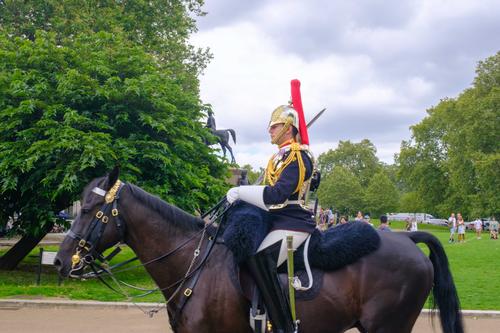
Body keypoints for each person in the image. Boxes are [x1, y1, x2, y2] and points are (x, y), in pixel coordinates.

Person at [226, 92, 315, 332]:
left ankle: (284, 326)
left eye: (274, 125)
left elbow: (277, 195)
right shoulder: (279, 157)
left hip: (294, 222)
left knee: (260, 259)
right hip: (277, 220)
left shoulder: (298, 156)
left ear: (288, 127)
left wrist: (242, 192)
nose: (269, 130)